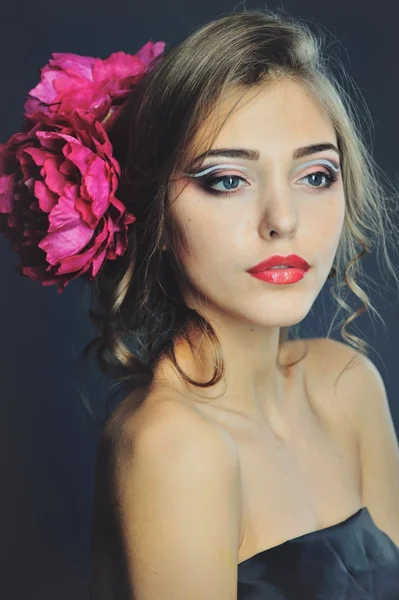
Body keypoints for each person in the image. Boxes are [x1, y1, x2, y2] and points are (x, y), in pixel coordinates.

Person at [1, 6, 399, 600]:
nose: (283, 220)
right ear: (150, 207)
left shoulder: (346, 384)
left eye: (315, 175)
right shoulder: (174, 445)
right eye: (227, 180)